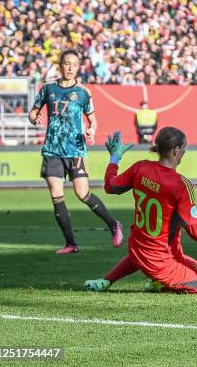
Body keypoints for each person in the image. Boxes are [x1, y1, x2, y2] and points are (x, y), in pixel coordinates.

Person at [84, 127, 197, 294]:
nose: (184, 152)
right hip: (163, 264)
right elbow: (195, 230)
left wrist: (114, 158)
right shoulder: (180, 185)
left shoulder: (140, 168)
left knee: (151, 247)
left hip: (139, 252)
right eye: (184, 148)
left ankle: (107, 281)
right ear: (176, 150)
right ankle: (160, 284)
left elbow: (110, 186)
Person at [27, 49, 123, 254]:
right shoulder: (48, 89)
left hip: (76, 149)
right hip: (52, 149)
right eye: (67, 63)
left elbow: (93, 119)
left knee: (82, 193)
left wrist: (92, 130)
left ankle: (114, 224)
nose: (70, 68)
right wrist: (34, 118)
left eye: (74, 64)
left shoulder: (83, 92)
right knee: (56, 195)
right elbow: (33, 112)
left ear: (79, 67)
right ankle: (71, 244)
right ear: (60, 65)